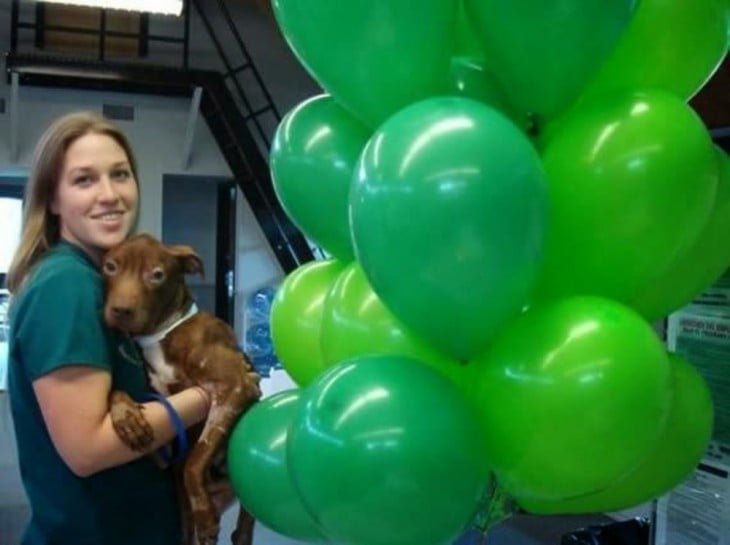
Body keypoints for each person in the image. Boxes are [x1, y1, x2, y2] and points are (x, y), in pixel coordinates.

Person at [5, 111, 212, 545]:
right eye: (84, 180)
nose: (110, 194)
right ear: (54, 200)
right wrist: (209, 395)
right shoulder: (67, 283)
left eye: (120, 175)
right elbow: (88, 449)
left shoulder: (100, 280)